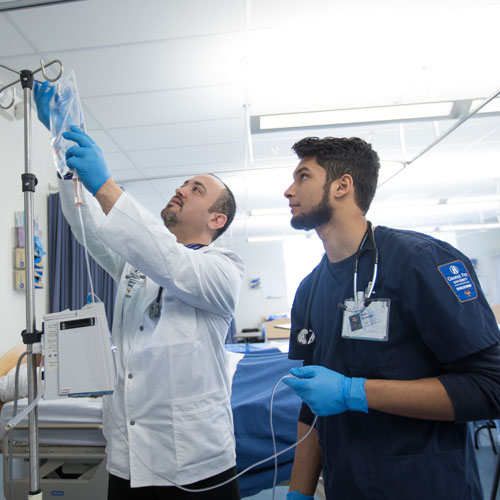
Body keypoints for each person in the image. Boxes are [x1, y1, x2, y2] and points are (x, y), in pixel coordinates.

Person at [34, 81, 244, 500]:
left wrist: (107, 186)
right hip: (128, 459)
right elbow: (89, 227)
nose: (181, 189)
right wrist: (63, 156)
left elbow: (172, 263)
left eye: (196, 189)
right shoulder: (135, 264)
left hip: (195, 462)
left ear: (217, 220)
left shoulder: (223, 271)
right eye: (183, 184)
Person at [281, 136, 500, 500]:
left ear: (342, 185)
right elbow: (313, 407)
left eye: (303, 176)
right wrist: (299, 492)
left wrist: (355, 392)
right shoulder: (310, 289)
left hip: (428, 484)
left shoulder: (421, 262)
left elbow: (491, 387)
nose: (289, 191)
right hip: (346, 486)